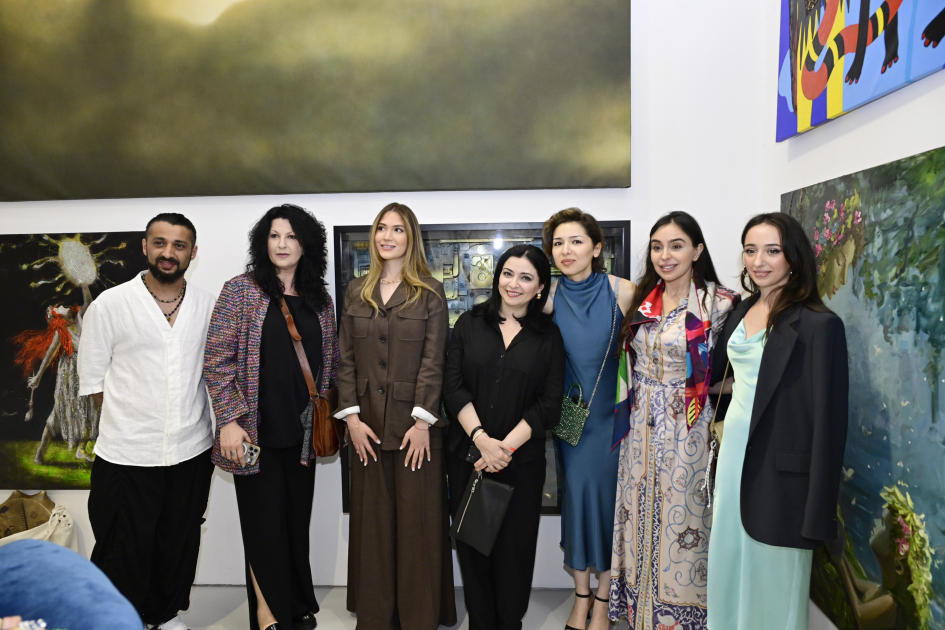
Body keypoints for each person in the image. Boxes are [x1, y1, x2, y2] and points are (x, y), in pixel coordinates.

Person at [706, 213, 848, 630]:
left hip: (782, 475)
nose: (758, 261)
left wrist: (818, 511)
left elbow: (829, 423)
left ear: (793, 256)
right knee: (729, 571)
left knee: (772, 589)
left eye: (772, 250)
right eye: (750, 250)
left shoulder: (820, 324)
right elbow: (742, 378)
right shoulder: (742, 310)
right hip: (733, 459)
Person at [77, 213, 216, 630]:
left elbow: (217, 373)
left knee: (178, 539)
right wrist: (134, 420)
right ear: (145, 246)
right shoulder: (111, 305)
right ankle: (120, 621)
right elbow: (94, 381)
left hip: (191, 449)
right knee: (122, 544)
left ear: (193, 252)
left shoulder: (208, 306)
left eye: (178, 245)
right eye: (160, 243)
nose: (168, 253)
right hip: (127, 453)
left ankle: (163, 615)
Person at [204, 204, 338, 630]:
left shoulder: (320, 300)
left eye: (292, 236)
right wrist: (229, 421)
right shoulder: (240, 291)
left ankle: (295, 606)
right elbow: (216, 361)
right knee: (263, 526)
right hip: (252, 434)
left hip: (303, 435)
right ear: (263, 242)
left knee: (295, 523)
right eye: (274, 235)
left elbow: (329, 365)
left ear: (306, 244)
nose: (282, 244)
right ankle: (267, 616)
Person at [609, 212, 739, 630]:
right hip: (639, 434)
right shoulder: (643, 299)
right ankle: (641, 616)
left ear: (697, 250)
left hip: (689, 432)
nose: (665, 255)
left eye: (677, 245)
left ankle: (683, 619)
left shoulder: (721, 304)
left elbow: (737, 372)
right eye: (657, 246)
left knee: (686, 522)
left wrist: (703, 390)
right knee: (637, 513)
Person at [333, 202, 456, 630]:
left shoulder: (430, 291)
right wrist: (351, 420)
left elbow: (435, 360)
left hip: (414, 430)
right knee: (374, 524)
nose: (388, 236)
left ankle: (419, 616)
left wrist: (423, 423)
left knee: (418, 522)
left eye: (398, 229)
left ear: (411, 237)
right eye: (382, 228)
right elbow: (344, 358)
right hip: (366, 427)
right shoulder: (356, 290)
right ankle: (376, 615)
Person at [444, 244, 566, 630]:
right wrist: (482, 439)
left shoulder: (549, 336)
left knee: (514, 555)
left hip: (520, 465)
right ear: (497, 276)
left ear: (540, 288)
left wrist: (504, 449)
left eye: (526, 278)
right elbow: (452, 388)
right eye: (508, 273)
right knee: (474, 551)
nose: (514, 284)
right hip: (470, 459)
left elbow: (549, 405)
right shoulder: (469, 324)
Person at [541, 208, 633, 630]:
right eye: (558, 243)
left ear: (597, 248)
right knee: (577, 502)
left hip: (614, 419)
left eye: (576, 241)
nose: (566, 250)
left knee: (611, 507)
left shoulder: (624, 290)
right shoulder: (548, 296)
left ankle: (604, 598)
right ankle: (582, 597)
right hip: (571, 419)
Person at [12, 286, 99, 464]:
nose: (62, 306)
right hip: (69, 376)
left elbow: (89, 301)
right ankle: (40, 452)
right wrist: (38, 377)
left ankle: (81, 449)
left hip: (86, 371)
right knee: (60, 412)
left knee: (89, 409)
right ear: (57, 317)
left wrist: (84, 283)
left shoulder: (81, 318)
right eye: (58, 308)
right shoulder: (61, 333)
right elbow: (49, 355)